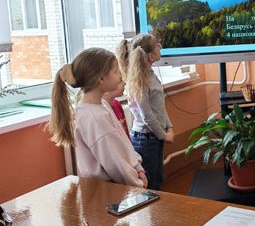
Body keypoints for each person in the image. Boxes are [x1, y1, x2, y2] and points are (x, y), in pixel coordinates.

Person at [48, 47, 147, 188]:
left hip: (118, 187)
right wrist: (137, 184)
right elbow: (114, 163)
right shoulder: (94, 118)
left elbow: (123, 143)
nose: (120, 76)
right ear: (101, 79)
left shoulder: (103, 105)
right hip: (108, 191)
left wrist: (137, 167)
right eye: (116, 71)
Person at [117, 34, 175, 190]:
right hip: (146, 139)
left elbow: (159, 107)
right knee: (151, 185)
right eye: (157, 46)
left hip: (154, 137)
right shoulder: (139, 81)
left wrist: (169, 127)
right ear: (150, 56)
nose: (160, 47)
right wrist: (164, 135)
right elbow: (147, 116)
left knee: (157, 180)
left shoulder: (151, 75)